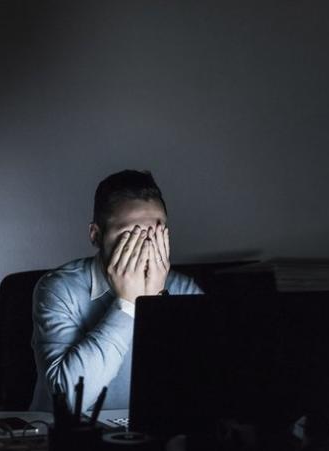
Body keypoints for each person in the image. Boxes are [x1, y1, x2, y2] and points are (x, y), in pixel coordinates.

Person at [30, 170, 202, 412]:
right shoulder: (59, 289)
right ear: (96, 235)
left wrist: (154, 303)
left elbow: (197, 386)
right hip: (70, 439)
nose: (144, 247)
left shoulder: (184, 290)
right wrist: (129, 304)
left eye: (155, 234)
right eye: (129, 235)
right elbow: (66, 399)